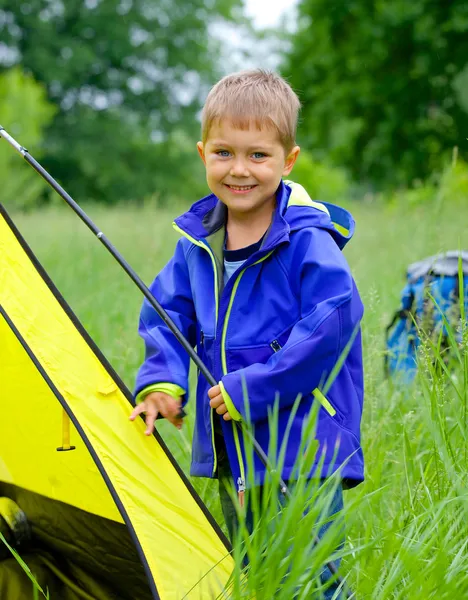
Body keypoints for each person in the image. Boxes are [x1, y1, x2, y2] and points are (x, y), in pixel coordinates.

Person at [130, 69, 364, 597]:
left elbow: (332, 323)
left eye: (258, 155)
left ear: (289, 160)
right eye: (223, 153)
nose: (239, 170)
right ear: (202, 152)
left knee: (313, 577)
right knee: (252, 575)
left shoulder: (306, 239)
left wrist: (254, 387)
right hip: (230, 443)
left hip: (301, 445)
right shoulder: (198, 242)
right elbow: (167, 314)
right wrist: (163, 382)